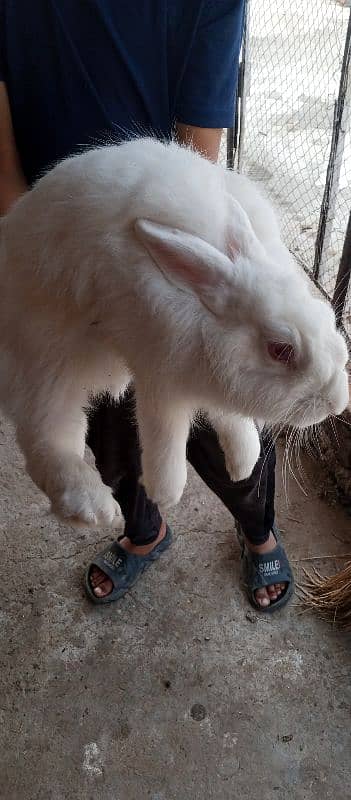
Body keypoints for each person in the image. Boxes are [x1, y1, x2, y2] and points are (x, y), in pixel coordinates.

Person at [0, 0, 293, 612]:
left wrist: (157, 281)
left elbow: (198, 150)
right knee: (108, 429)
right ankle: (143, 528)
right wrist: (14, 211)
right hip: (52, 241)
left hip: (156, 237)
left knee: (219, 407)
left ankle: (256, 525)